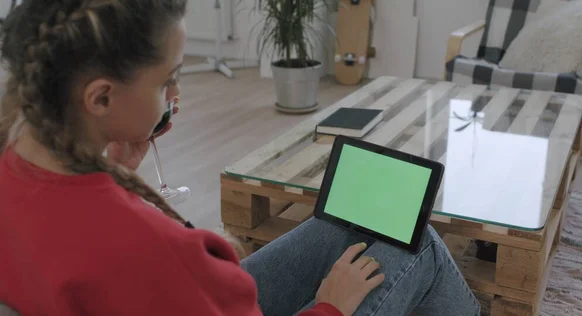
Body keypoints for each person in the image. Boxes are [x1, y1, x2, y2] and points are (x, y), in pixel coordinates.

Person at [0, 1, 481, 315]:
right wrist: (330, 307)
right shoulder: (152, 251)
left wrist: (116, 170)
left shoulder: (13, 168)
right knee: (413, 246)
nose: (174, 93)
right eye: (167, 79)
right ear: (101, 98)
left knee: (346, 226)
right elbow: (141, 262)